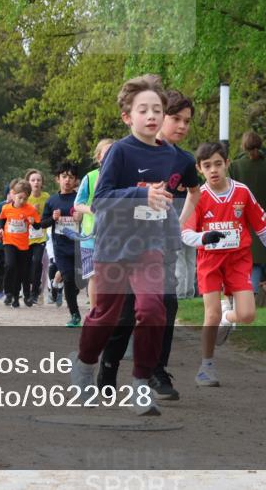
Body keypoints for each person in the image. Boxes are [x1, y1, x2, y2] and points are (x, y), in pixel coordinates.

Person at [68, 74, 180, 417]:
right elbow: (100, 199)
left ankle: (141, 385)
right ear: (127, 117)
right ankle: (85, 367)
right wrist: (140, 193)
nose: (151, 116)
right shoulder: (118, 151)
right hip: (114, 245)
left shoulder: (171, 155)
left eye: (157, 110)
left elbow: (166, 201)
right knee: (107, 316)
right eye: (143, 109)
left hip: (149, 246)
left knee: (152, 311)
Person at [95, 90, 201, 401]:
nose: (181, 126)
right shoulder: (126, 151)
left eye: (187, 121)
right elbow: (103, 197)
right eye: (176, 118)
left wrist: (177, 225)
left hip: (159, 244)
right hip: (124, 242)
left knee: (165, 305)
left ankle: (156, 369)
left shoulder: (181, 159)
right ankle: (109, 366)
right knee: (126, 310)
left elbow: (194, 191)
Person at [181, 141, 266, 387]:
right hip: (210, 261)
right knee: (211, 314)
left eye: (218, 164)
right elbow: (184, 233)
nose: (214, 170)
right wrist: (203, 238)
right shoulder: (198, 196)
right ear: (199, 169)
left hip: (238, 261)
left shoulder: (241, 192)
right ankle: (206, 367)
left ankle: (229, 317)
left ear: (227, 164)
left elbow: (261, 224)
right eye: (207, 166)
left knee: (247, 314)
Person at [228, 130, 266, 292]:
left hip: (237, 219)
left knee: (236, 258)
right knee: (256, 259)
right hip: (259, 220)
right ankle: (253, 291)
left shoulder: (234, 166)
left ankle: (238, 291)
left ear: (243, 146)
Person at [73, 139, 115, 308]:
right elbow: (77, 204)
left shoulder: (123, 177)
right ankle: (94, 312)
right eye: (107, 153)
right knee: (94, 276)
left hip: (114, 236)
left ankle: (110, 312)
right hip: (90, 236)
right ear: (99, 157)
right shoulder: (89, 178)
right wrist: (92, 209)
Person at [39, 161, 82, 326]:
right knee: (69, 279)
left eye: (71, 177)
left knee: (79, 282)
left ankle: (60, 288)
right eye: (64, 177)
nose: (67, 180)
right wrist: (53, 219)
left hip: (79, 247)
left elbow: (91, 218)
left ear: (76, 180)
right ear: (58, 179)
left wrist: (82, 216)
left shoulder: (79, 199)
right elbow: (43, 224)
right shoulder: (52, 201)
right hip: (61, 248)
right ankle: (75, 315)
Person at [0, 179, 40, 308]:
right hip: (9, 241)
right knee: (10, 265)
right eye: (20, 198)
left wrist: (33, 222)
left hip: (24, 245)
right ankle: (8, 292)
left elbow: (38, 225)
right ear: (13, 194)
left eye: (25, 199)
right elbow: (2, 219)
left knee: (23, 271)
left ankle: (24, 295)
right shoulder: (6, 208)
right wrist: (1, 229)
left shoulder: (30, 209)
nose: (22, 201)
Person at [24, 168, 50, 302]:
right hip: (25, 236)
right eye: (33, 180)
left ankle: (34, 293)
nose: (36, 182)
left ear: (42, 183)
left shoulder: (46, 197)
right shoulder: (25, 197)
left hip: (40, 236)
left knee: (37, 261)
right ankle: (27, 289)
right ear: (28, 183)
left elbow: (50, 214)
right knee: (27, 264)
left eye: (38, 180)